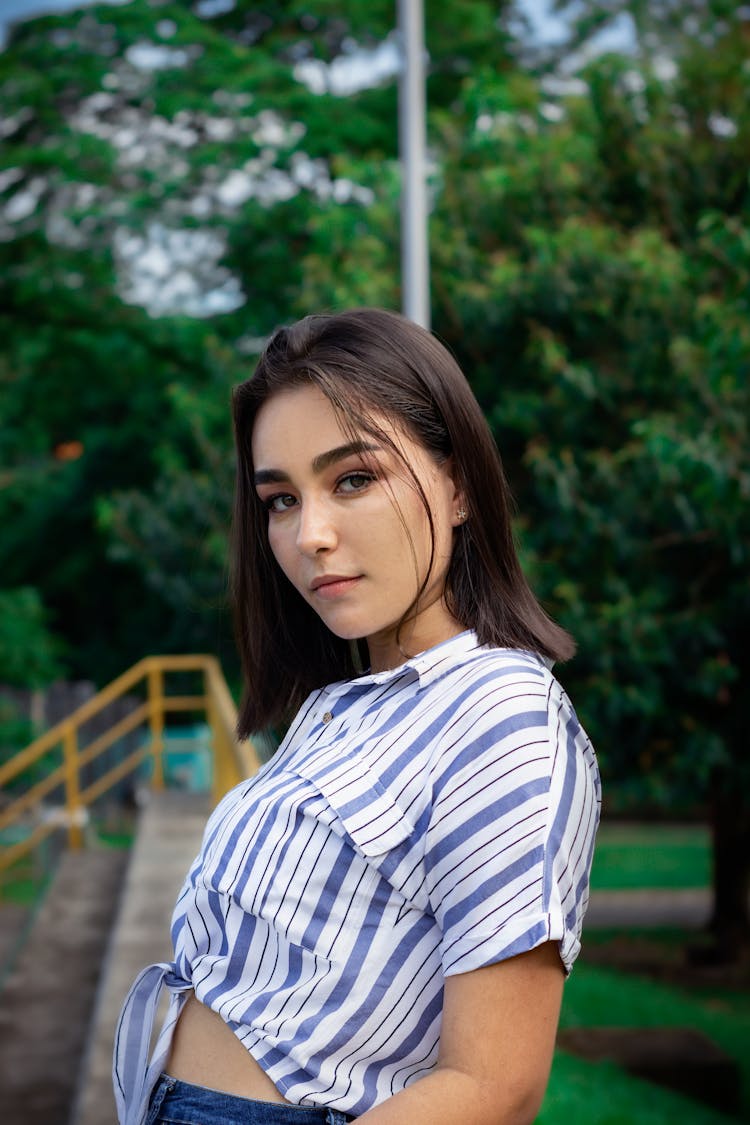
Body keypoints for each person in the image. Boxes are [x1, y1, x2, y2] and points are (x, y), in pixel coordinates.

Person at [114, 307, 601, 1125]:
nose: (311, 534)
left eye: (353, 479)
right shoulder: (337, 711)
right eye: (279, 498)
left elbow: (495, 1087)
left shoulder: (500, 715)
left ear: (456, 485)